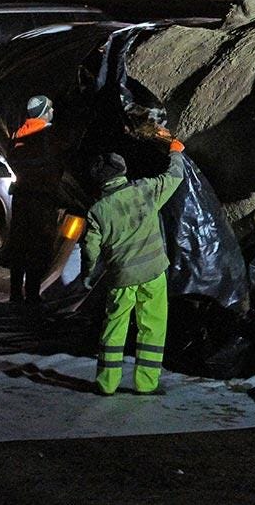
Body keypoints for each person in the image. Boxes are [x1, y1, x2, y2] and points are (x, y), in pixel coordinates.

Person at [81, 137, 185, 396]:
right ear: (123, 171)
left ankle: (106, 383)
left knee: (114, 329)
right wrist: (176, 152)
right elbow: (175, 177)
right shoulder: (146, 190)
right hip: (153, 272)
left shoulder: (97, 211)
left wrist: (88, 274)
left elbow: (90, 249)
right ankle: (147, 383)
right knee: (153, 326)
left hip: (121, 277)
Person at [7, 95, 59, 307]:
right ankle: (33, 296)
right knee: (38, 248)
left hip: (21, 197)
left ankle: (15, 294)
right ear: (44, 111)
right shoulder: (47, 134)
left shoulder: (18, 133)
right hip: (41, 199)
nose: (53, 112)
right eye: (51, 108)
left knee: (19, 246)